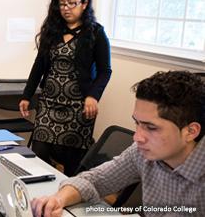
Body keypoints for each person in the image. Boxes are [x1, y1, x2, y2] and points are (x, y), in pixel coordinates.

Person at [31, 71, 205, 217]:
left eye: (151, 128)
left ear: (191, 131)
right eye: (137, 123)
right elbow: (95, 180)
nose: (138, 137)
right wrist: (59, 199)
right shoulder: (140, 152)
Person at [19, 0, 112, 176]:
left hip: (79, 106)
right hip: (49, 103)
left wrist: (93, 96)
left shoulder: (96, 32)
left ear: (84, 4)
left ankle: (67, 199)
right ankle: (39, 194)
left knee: (72, 160)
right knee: (39, 153)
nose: (66, 8)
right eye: (62, 4)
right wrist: (27, 96)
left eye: (72, 3)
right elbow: (39, 66)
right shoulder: (52, 31)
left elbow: (105, 71)